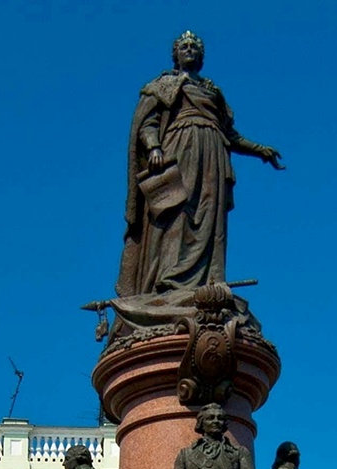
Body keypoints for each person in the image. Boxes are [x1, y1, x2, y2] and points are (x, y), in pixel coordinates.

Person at [116, 31, 283, 298]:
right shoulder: (164, 84)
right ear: (176, 55)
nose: (190, 49)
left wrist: (259, 150)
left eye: (195, 46)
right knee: (177, 211)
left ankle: (209, 280)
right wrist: (154, 147)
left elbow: (230, 134)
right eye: (184, 46)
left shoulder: (212, 91)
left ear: (202, 57)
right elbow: (147, 123)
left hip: (213, 154)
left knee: (209, 216)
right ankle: (169, 279)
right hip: (179, 148)